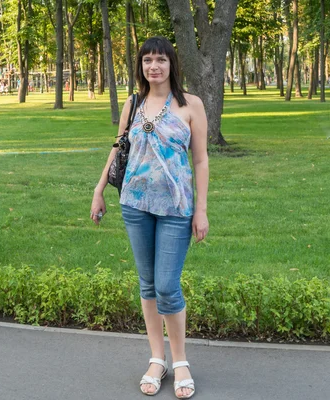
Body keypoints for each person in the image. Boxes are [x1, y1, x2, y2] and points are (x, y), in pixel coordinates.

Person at [90, 36, 209, 399]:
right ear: (140, 66)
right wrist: (98, 190)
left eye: (160, 60)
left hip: (176, 209)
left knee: (167, 285)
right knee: (147, 284)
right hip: (135, 205)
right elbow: (119, 147)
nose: (153, 66)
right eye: (147, 61)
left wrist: (200, 210)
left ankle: (181, 361)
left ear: (172, 64)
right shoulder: (134, 103)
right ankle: (157, 359)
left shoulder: (191, 105)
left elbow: (201, 160)